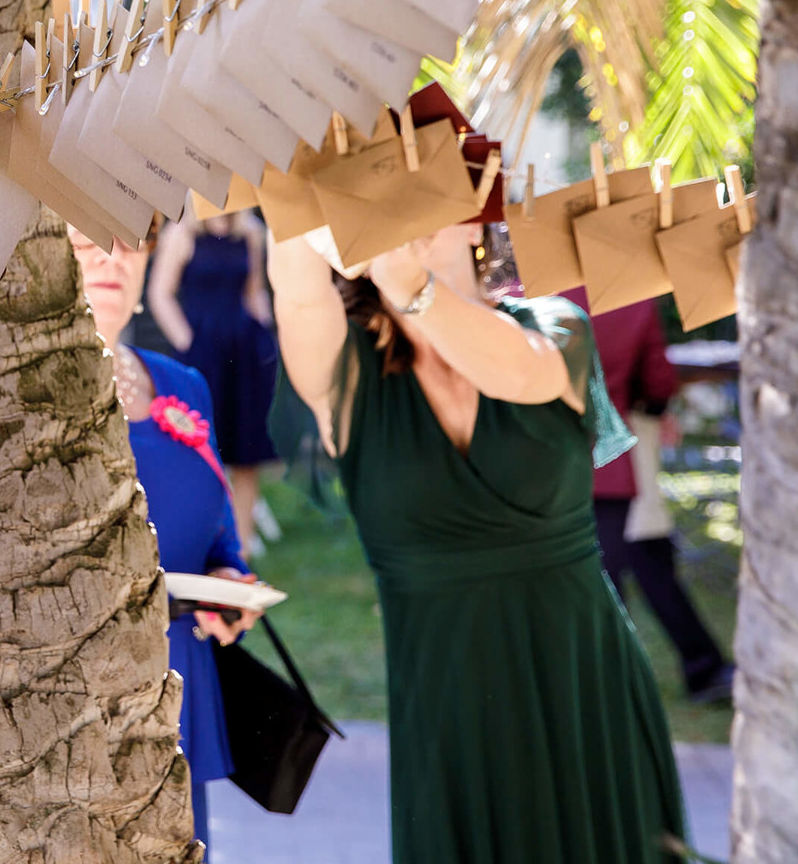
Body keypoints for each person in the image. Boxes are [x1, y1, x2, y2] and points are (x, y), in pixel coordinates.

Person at [269, 223, 687, 862]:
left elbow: (520, 373)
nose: (403, 210)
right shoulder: (343, 372)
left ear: (472, 212)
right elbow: (295, 286)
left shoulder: (554, 326)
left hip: (582, 686)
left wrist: (409, 282)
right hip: (448, 708)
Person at [70, 224, 264, 854]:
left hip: (179, 684)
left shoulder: (185, 385)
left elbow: (220, 539)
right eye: (85, 239)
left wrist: (230, 582)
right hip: (74, 703)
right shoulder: (19, 393)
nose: (111, 257)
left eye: (127, 239)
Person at [562, 289, 736, 703]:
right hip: (611, 458)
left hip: (541, 461)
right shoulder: (627, 296)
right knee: (626, 567)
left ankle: (698, 667)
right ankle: (696, 668)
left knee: (633, 561)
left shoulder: (521, 292)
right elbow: (657, 382)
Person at [145, 211, 279, 554]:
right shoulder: (182, 234)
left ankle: (244, 549)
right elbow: (160, 294)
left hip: (244, 352)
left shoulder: (251, 232)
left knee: (247, 452)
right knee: (206, 448)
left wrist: (267, 340)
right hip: (204, 355)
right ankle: (209, 543)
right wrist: (188, 342)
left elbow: (254, 292)